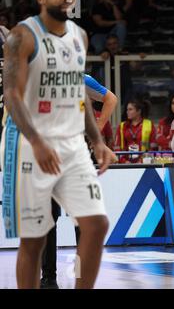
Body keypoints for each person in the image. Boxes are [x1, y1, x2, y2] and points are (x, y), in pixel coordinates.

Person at [1, 0, 112, 289]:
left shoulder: (80, 36)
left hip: (71, 141)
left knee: (96, 224)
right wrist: (37, 141)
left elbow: (79, 92)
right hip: (29, 140)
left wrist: (98, 140)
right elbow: (11, 95)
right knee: (35, 239)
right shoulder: (21, 36)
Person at [39, 74, 118, 289]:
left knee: (85, 221)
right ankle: (48, 278)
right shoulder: (38, 77)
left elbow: (111, 98)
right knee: (48, 219)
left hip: (78, 154)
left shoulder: (81, 78)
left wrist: (98, 133)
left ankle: (81, 279)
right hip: (49, 155)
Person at [115, 98, 157, 163]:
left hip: (144, 163)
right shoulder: (122, 126)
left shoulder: (149, 124)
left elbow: (153, 148)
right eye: (127, 109)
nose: (127, 112)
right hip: (125, 164)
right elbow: (117, 148)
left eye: (130, 109)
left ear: (139, 111)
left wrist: (141, 161)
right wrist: (125, 161)